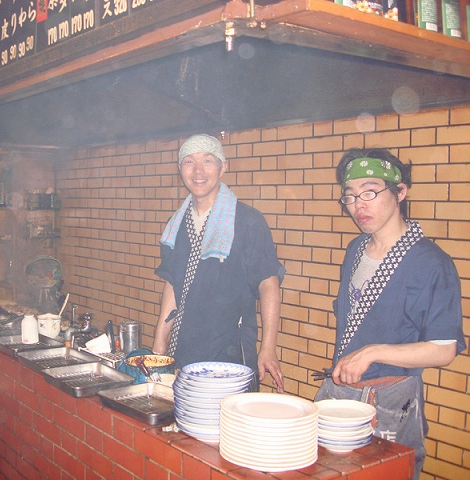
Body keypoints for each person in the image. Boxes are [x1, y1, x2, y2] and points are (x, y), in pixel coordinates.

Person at [315, 148, 465, 479]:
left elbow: (444, 348)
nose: (359, 205)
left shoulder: (431, 262)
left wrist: (373, 352)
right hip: (342, 395)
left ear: (399, 192)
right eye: (350, 196)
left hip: (391, 402)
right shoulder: (355, 250)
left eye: (370, 192)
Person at [152, 134, 285, 392]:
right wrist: (159, 343)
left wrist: (268, 348)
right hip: (184, 347)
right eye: (189, 161)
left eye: (208, 161)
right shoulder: (176, 225)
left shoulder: (247, 221)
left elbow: (269, 284)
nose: (198, 171)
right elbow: (173, 283)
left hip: (229, 352)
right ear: (180, 170)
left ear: (224, 167)